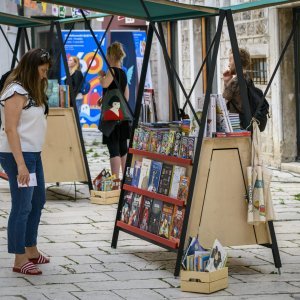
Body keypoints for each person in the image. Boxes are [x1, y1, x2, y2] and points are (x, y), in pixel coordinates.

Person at [0, 48, 51, 275]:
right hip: (18, 155)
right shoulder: (15, 91)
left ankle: (31, 248)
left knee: (38, 201)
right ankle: (19, 258)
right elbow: (10, 129)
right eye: (42, 70)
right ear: (32, 68)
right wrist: (20, 164)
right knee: (22, 206)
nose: (44, 75)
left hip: (33, 154)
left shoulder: (31, 89)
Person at [98, 42, 129, 178]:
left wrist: (101, 76)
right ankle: (126, 179)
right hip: (122, 116)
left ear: (110, 56)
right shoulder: (123, 73)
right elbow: (126, 96)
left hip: (111, 118)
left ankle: (115, 180)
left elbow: (105, 83)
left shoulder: (112, 71)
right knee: (123, 149)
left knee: (113, 149)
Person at [222, 48, 251, 127]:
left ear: (236, 62)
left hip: (236, 126)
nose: (228, 64)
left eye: (230, 61)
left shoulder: (235, 81)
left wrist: (226, 82)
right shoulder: (248, 78)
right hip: (247, 124)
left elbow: (222, 103)